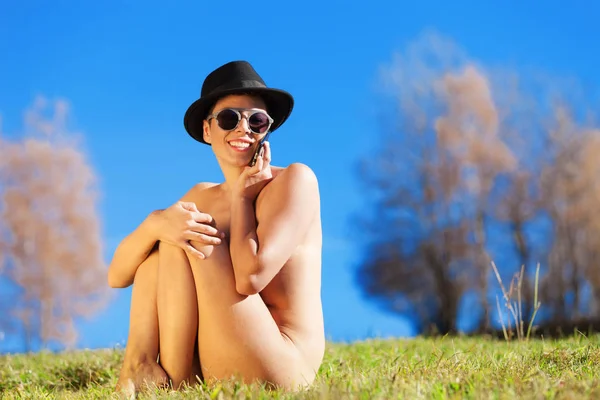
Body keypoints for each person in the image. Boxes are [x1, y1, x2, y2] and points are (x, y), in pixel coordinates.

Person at [106, 60, 325, 395]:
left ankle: (174, 384)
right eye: (228, 118)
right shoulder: (201, 196)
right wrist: (153, 224)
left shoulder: (294, 181)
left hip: (281, 362)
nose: (243, 129)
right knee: (163, 243)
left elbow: (250, 278)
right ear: (208, 131)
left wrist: (241, 198)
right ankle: (141, 366)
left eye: (257, 120)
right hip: (219, 359)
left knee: (189, 235)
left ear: (266, 130)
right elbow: (117, 276)